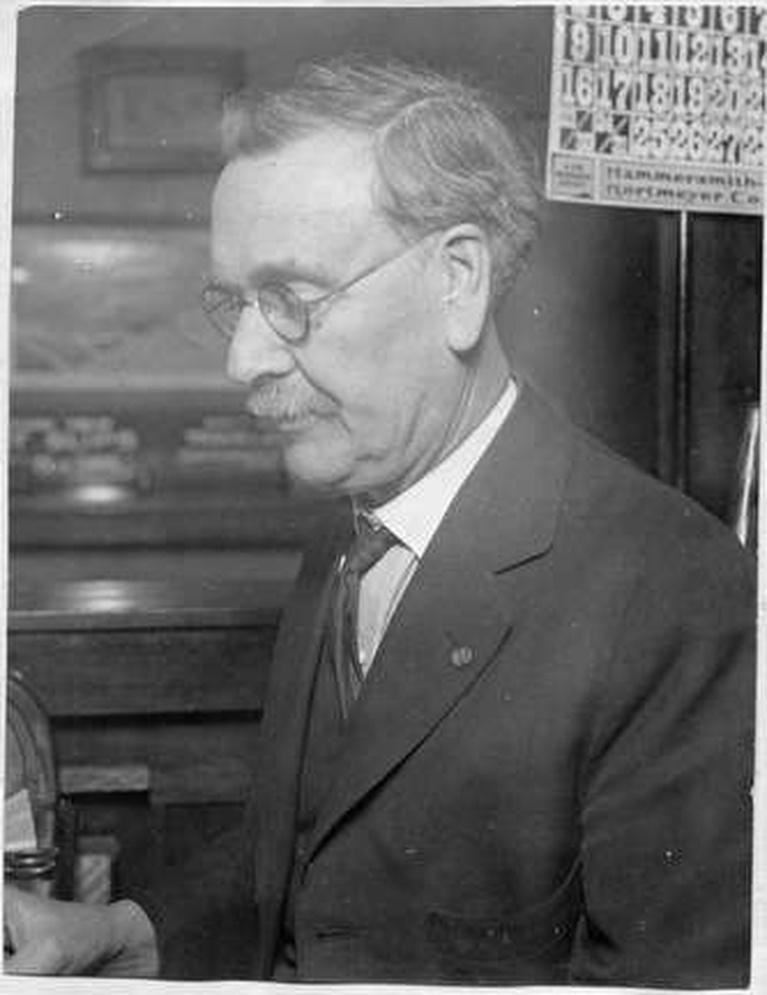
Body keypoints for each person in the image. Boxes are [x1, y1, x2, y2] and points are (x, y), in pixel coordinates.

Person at [4, 57, 755, 988]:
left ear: (457, 281)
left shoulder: (678, 592)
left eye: (291, 298)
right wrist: (125, 931)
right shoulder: (353, 523)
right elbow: (322, 855)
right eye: (236, 303)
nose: (242, 360)